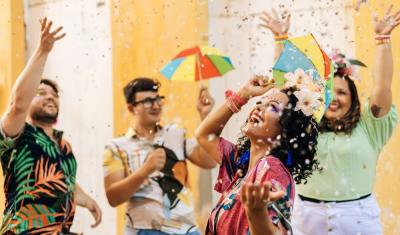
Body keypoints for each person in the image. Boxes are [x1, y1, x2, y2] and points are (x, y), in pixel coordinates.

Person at [261, 6, 399, 235]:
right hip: (306, 218)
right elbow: (284, 90)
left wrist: (383, 40)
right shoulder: (305, 125)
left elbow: (382, 87)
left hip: (359, 219)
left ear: (354, 99)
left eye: (342, 93)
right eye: (329, 92)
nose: (334, 99)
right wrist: (280, 39)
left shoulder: (370, 125)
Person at [0, 18, 102, 234]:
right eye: (41, 93)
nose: (50, 98)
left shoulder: (63, 145)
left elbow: (61, 181)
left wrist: (87, 200)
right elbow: (17, 104)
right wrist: (42, 50)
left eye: (54, 95)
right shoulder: (17, 133)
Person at [195, 73, 322, 234]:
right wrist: (243, 94)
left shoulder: (272, 169)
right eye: (260, 102)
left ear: (287, 129)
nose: (259, 107)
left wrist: (257, 213)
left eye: (273, 107)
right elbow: (205, 135)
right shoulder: (241, 165)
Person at [103, 78, 217, 235]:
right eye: (148, 102)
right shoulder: (116, 147)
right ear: (131, 108)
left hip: (186, 229)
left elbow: (209, 161)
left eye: (158, 99)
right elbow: (113, 197)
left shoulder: (176, 135)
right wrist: (145, 170)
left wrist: (206, 116)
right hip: (144, 229)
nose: (156, 105)